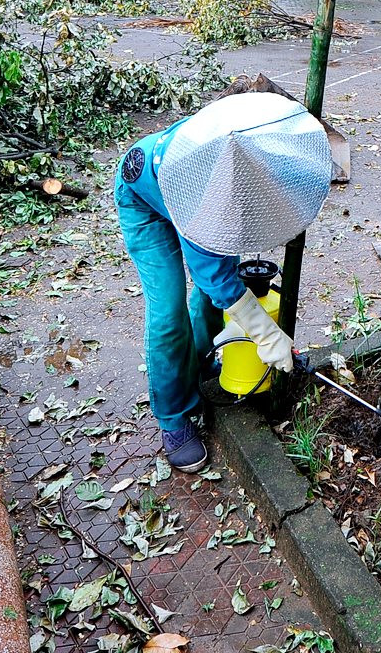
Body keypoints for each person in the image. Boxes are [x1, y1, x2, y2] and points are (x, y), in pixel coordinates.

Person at [114, 92, 332, 472]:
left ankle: (198, 366)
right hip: (143, 198)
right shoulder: (205, 198)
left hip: (190, 185)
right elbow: (216, 279)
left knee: (208, 306)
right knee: (169, 313)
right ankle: (174, 418)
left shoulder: (254, 143)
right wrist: (266, 334)